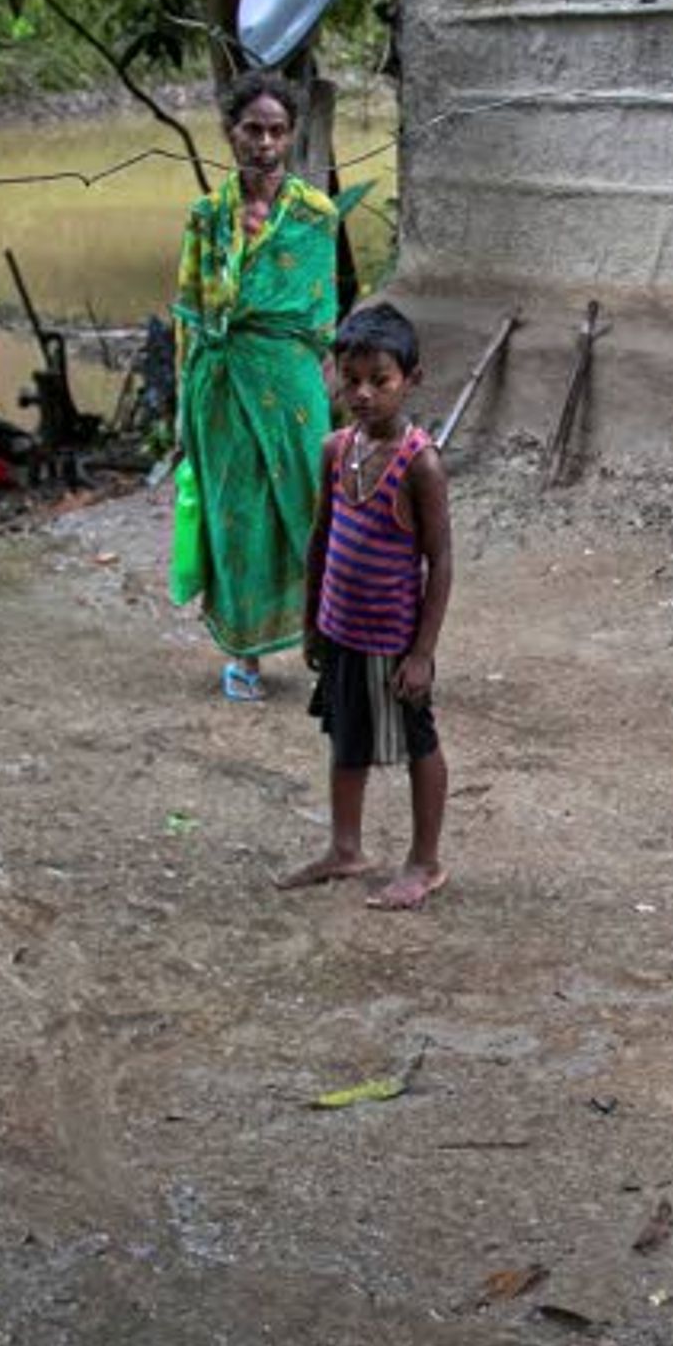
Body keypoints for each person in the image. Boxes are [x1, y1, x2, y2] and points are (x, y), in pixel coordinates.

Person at [170, 70, 371, 701]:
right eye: (252, 130)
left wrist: (335, 395)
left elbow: (320, 320)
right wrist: (184, 410)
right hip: (221, 383)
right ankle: (246, 657)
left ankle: (334, 644)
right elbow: (190, 317)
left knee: (314, 507)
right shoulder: (207, 218)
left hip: (290, 383)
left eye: (277, 131)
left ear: (292, 137)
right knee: (237, 517)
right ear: (230, 134)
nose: (264, 143)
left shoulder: (315, 214)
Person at [276, 302, 454, 912]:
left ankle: (425, 863)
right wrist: (310, 623)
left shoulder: (420, 464)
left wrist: (423, 652)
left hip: (393, 637)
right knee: (345, 736)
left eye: (380, 380)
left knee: (418, 743)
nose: (363, 393)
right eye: (350, 380)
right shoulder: (334, 450)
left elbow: (441, 562)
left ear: (411, 379)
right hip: (341, 629)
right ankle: (345, 847)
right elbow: (321, 539)